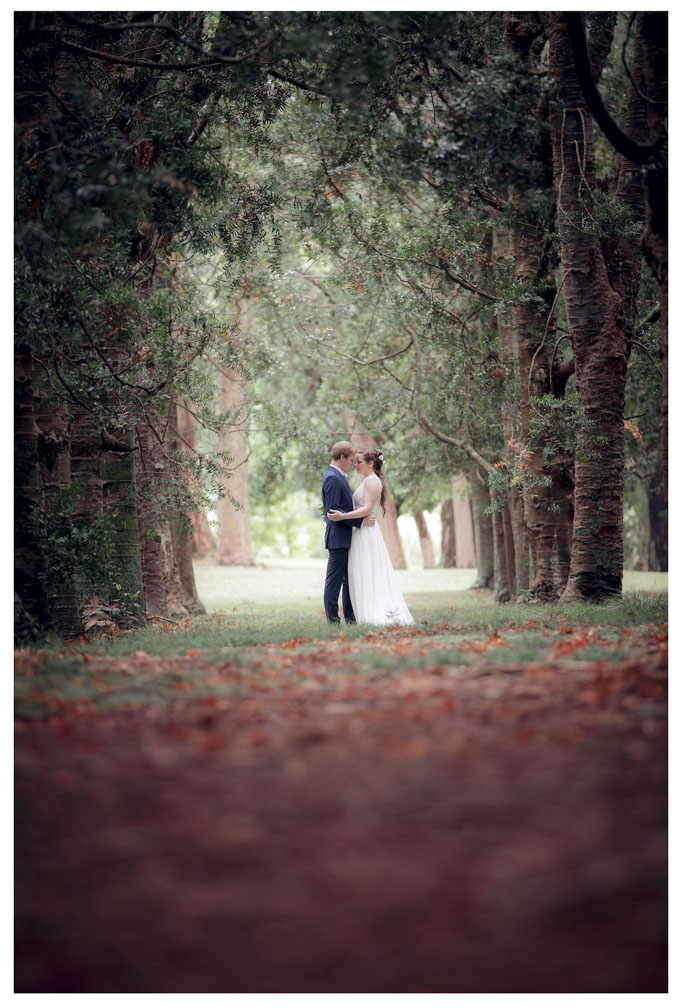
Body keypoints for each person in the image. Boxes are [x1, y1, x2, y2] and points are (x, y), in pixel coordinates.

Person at [327, 449, 414, 626]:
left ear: (370, 463)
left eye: (358, 461)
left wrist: (343, 516)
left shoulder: (372, 481)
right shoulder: (368, 480)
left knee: (369, 570)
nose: (355, 465)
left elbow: (367, 509)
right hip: (360, 532)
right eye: (354, 461)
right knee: (361, 572)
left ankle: (374, 611)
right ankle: (361, 612)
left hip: (367, 533)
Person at [321, 441, 376, 624]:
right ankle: (333, 620)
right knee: (334, 582)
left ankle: (351, 619)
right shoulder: (333, 478)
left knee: (348, 581)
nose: (353, 463)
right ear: (342, 457)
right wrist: (360, 520)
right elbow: (333, 512)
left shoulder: (339, 476)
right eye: (351, 459)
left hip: (346, 538)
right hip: (338, 539)